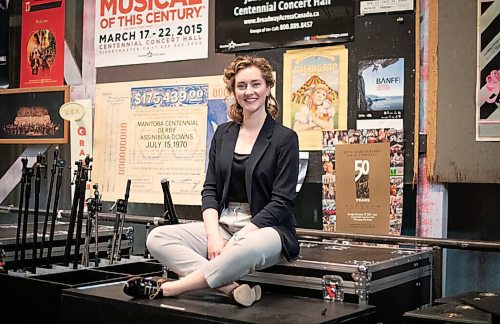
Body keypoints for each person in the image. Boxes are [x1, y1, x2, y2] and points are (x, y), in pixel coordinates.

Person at [123, 56, 300, 307]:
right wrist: (213, 235)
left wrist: (241, 238)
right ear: (233, 91)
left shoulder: (285, 138)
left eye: (255, 84)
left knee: (246, 248)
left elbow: (282, 202)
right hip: (225, 225)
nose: (248, 92)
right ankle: (231, 288)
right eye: (241, 86)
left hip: (267, 231)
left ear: (268, 87)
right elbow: (210, 190)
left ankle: (170, 289)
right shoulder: (223, 134)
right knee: (157, 238)